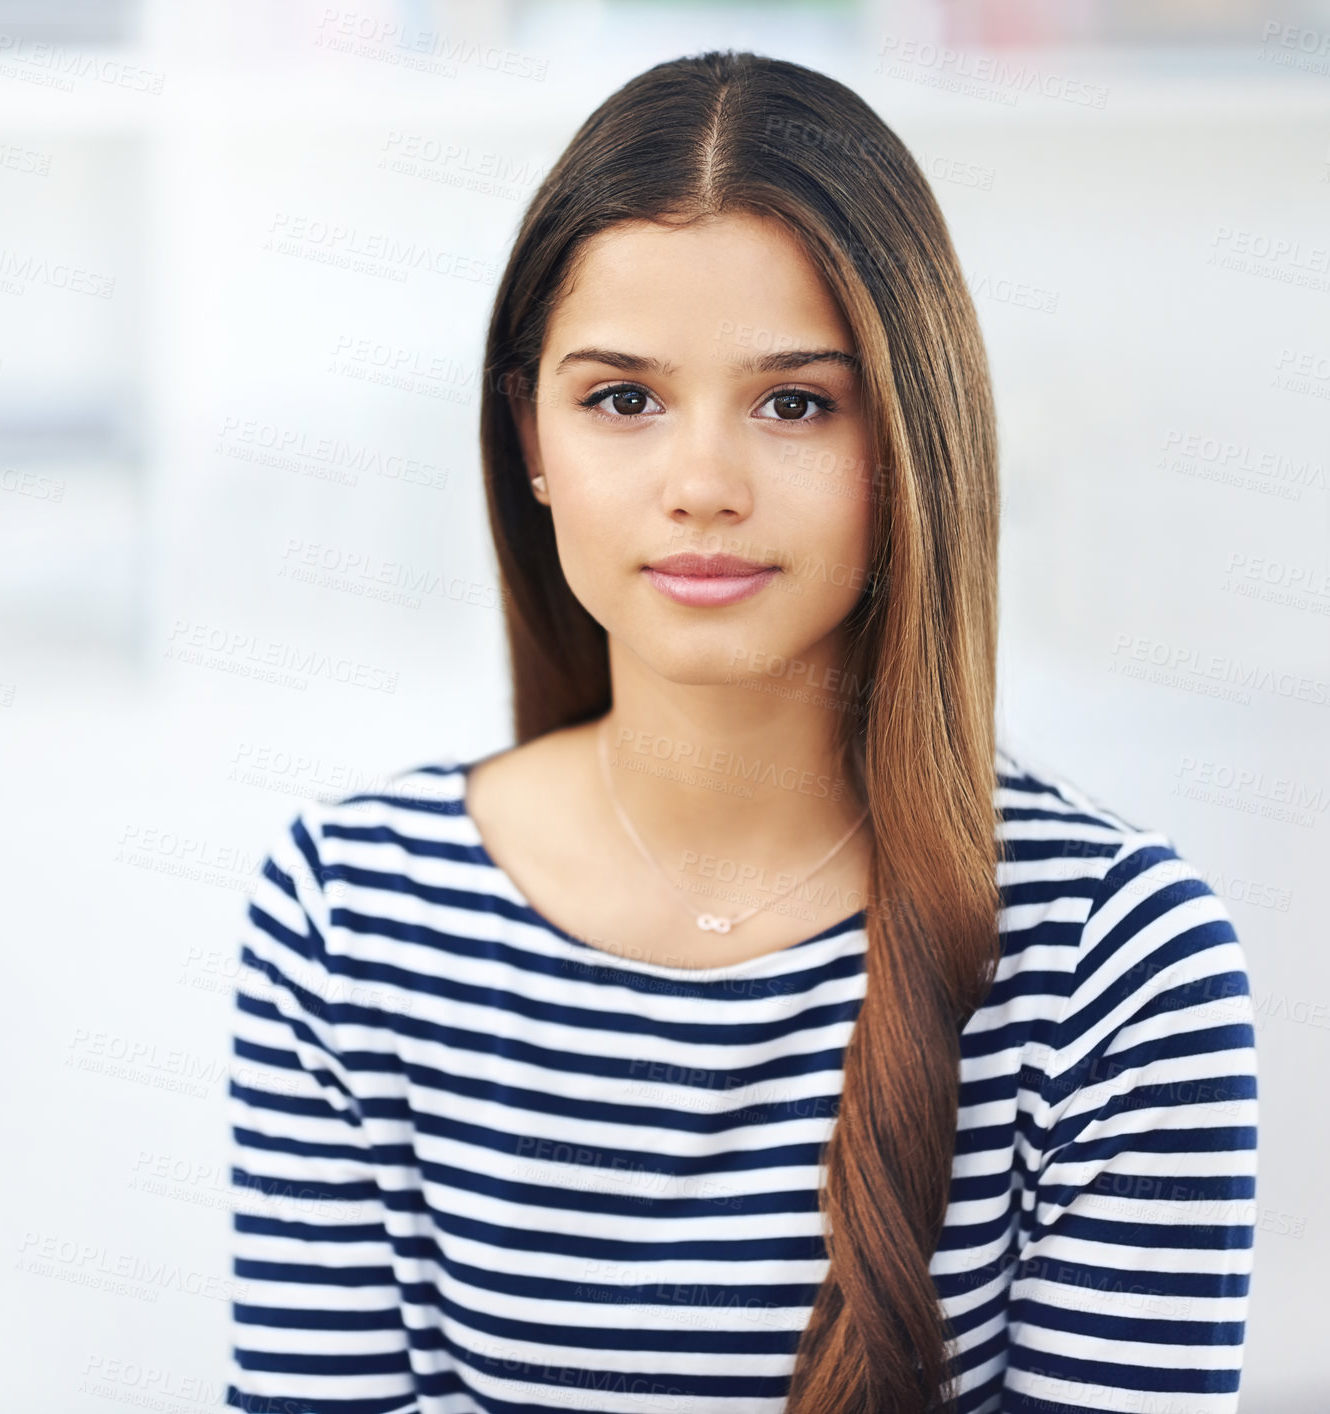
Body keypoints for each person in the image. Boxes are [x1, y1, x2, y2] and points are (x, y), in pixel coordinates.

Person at [225, 49, 1257, 1414]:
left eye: (793, 402)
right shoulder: (349, 909)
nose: (701, 484)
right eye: (621, 399)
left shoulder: (1115, 961)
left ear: (907, 439)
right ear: (528, 436)